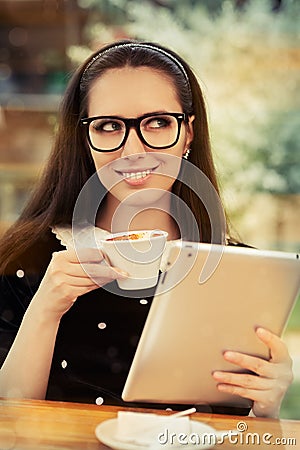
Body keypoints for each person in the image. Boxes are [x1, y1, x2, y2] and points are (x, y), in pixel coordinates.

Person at [0, 40, 293, 418]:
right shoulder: (26, 258)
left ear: (188, 132)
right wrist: (45, 309)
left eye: (157, 123)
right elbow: (8, 419)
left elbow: (239, 427)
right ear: (83, 137)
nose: (133, 149)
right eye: (108, 126)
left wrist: (265, 407)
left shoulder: (239, 270)